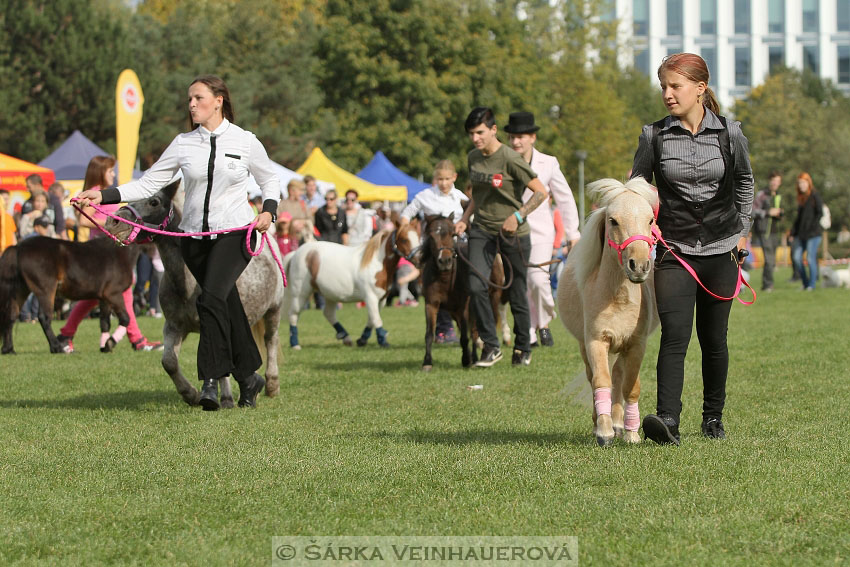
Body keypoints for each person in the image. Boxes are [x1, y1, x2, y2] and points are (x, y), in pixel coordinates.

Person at [76, 75, 279, 411]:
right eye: (189, 99)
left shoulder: (245, 141)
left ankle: (210, 381)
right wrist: (104, 195)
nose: (191, 105)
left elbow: (269, 179)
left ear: (219, 100)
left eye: (198, 98)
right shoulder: (184, 143)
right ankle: (248, 378)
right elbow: (148, 184)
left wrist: (269, 210)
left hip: (234, 233)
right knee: (224, 303)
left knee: (209, 299)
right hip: (193, 239)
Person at [630, 53, 754, 445]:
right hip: (674, 250)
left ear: (700, 88)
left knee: (714, 340)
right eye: (663, 87)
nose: (668, 94)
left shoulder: (730, 133)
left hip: (722, 249)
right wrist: (645, 223)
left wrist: (743, 233)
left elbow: (745, 181)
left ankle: (713, 418)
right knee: (674, 335)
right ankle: (667, 419)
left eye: (675, 86)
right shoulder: (653, 136)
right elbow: (637, 187)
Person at [456, 107, 548, 368]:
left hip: (513, 233)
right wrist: (465, 218)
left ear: (494, 130)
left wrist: (517, 216)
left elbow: (541, 192)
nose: (475, 138)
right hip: (482, 229)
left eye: (480, 132)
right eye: (471, 134)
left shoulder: (510, 158)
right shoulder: (473, 157)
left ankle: (522, 347)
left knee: (517, 291)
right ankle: (491, 346)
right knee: (476, 286)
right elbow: (478, 195)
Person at [58, 155, 163, 354]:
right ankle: (137, 340)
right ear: (100, 172)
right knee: (124, 293)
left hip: (112, 254)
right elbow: (83, 221)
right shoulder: (94, 192)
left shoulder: (104, 193)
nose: (113, 175)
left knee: (93, 299)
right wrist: (114, 222)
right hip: (102, 255)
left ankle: (66, 335)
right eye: (110, 171)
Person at [505, 111, 580, 348]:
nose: (516, 141)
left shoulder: (548, 163)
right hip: (510, 232)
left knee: (538, 280)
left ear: (532, 137)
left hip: (540, 233)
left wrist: (573, 233)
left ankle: (544, 320)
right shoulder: (502, 161)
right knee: (521, 283)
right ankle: (529, 331)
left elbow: (564, 198)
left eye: (521, 137)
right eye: (512, 137)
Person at [401, 160, 469, 343]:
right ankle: (443, 328)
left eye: (447, 179)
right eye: (440, 179)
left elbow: (470, 218)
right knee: (435, 288)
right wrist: (405, 228)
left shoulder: (460, 197)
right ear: (435, 179)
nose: (444, 183)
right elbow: (406, 214)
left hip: (458, 246)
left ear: (454, 177)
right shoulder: (425, 196)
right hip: (433, 250)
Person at [789, 172, 824, 291]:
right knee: (796, 258)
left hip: (813, 234)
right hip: (801, 234)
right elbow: (798, 219)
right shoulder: (801, 198)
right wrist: (793, 233)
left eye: (803, 182)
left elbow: (820, 213)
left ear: (808, 183)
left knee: (810, 258)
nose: (801, 185)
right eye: (799, 183)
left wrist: (812, 227)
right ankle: (805, 283)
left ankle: (811, 285)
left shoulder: (814, 195)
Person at [751, 171, 784, 292]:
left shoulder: (779, 195)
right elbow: (752, 211)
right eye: (773, 180)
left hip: (775, 231)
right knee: (769, 259)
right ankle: (768, 285)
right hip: (764, 231)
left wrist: (780, 213)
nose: (775, 183)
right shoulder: (762, 194)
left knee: (772, 260)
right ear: (770, 181)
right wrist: (767, 212)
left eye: (777, 181)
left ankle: (766, 284)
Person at [278, 178, 312, 242]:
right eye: (300, 190)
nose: (302, 193)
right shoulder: (282, 205)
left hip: (303, 238)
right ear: (291, 191)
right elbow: (277, 222)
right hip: (287, 239)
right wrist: (292, 224)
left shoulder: (303, 204)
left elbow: (311, 219)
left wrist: (303, 222)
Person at [0, 189, 17, 253]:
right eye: (3, 199)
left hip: (8, 252)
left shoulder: (9, 216)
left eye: (7, 199)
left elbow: (13, 236)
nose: (5, 202)